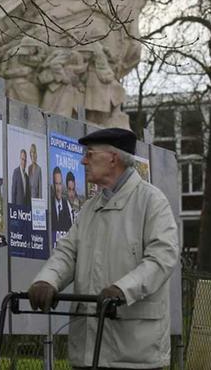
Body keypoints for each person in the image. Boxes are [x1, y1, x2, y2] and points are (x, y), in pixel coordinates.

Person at [28, 128, 179, 370]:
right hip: (89, 351)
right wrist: (47, 281)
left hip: (134, 354)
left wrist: (122, 289)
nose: (83, 160)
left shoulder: (151, 202)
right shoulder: (89, 209)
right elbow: (67, 253)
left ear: (113, 158)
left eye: (89, 154)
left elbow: (162, 259)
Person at [51, 166, 73, 235]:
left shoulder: (66, 204)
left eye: (60, 184)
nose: (58, 188)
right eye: (56, 183)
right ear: (53, 184)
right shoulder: (49, 204)